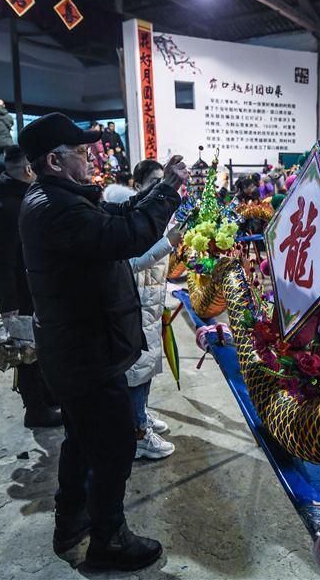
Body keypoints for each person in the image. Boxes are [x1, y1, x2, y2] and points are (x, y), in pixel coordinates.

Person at [18, 113, 185, 570]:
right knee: (112, 448)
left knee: (82, 441)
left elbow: (121, 214)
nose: (91, 155)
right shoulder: (58, 208)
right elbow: (127, 234)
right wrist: (168, 190)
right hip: (86, 355)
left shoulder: (61, 198)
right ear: (54, 160)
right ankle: (108, 539)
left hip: (78, 351)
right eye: (81, 151)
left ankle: (71, 520)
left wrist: (158, 192)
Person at [0, 146, 62, 428]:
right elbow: (2, 264)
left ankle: (46, 397)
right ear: (29, 170)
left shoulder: (23, 197)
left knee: (39, 349)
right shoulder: (5, 208)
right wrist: (8, 307)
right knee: (25, 352)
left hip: (35, 287)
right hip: (20, 292)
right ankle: (35, 409)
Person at [122, 159, 186, 461]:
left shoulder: (159, 215)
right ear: (137, 187)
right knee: (135, 371)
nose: (163, 188)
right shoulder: (129, 218)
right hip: (133, 305)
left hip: (150, 302)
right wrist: (168, 243)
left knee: (145, 369)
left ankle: (140, 415)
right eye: (155, 182)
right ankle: (136, 435)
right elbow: (129, 264)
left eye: (166, 181)